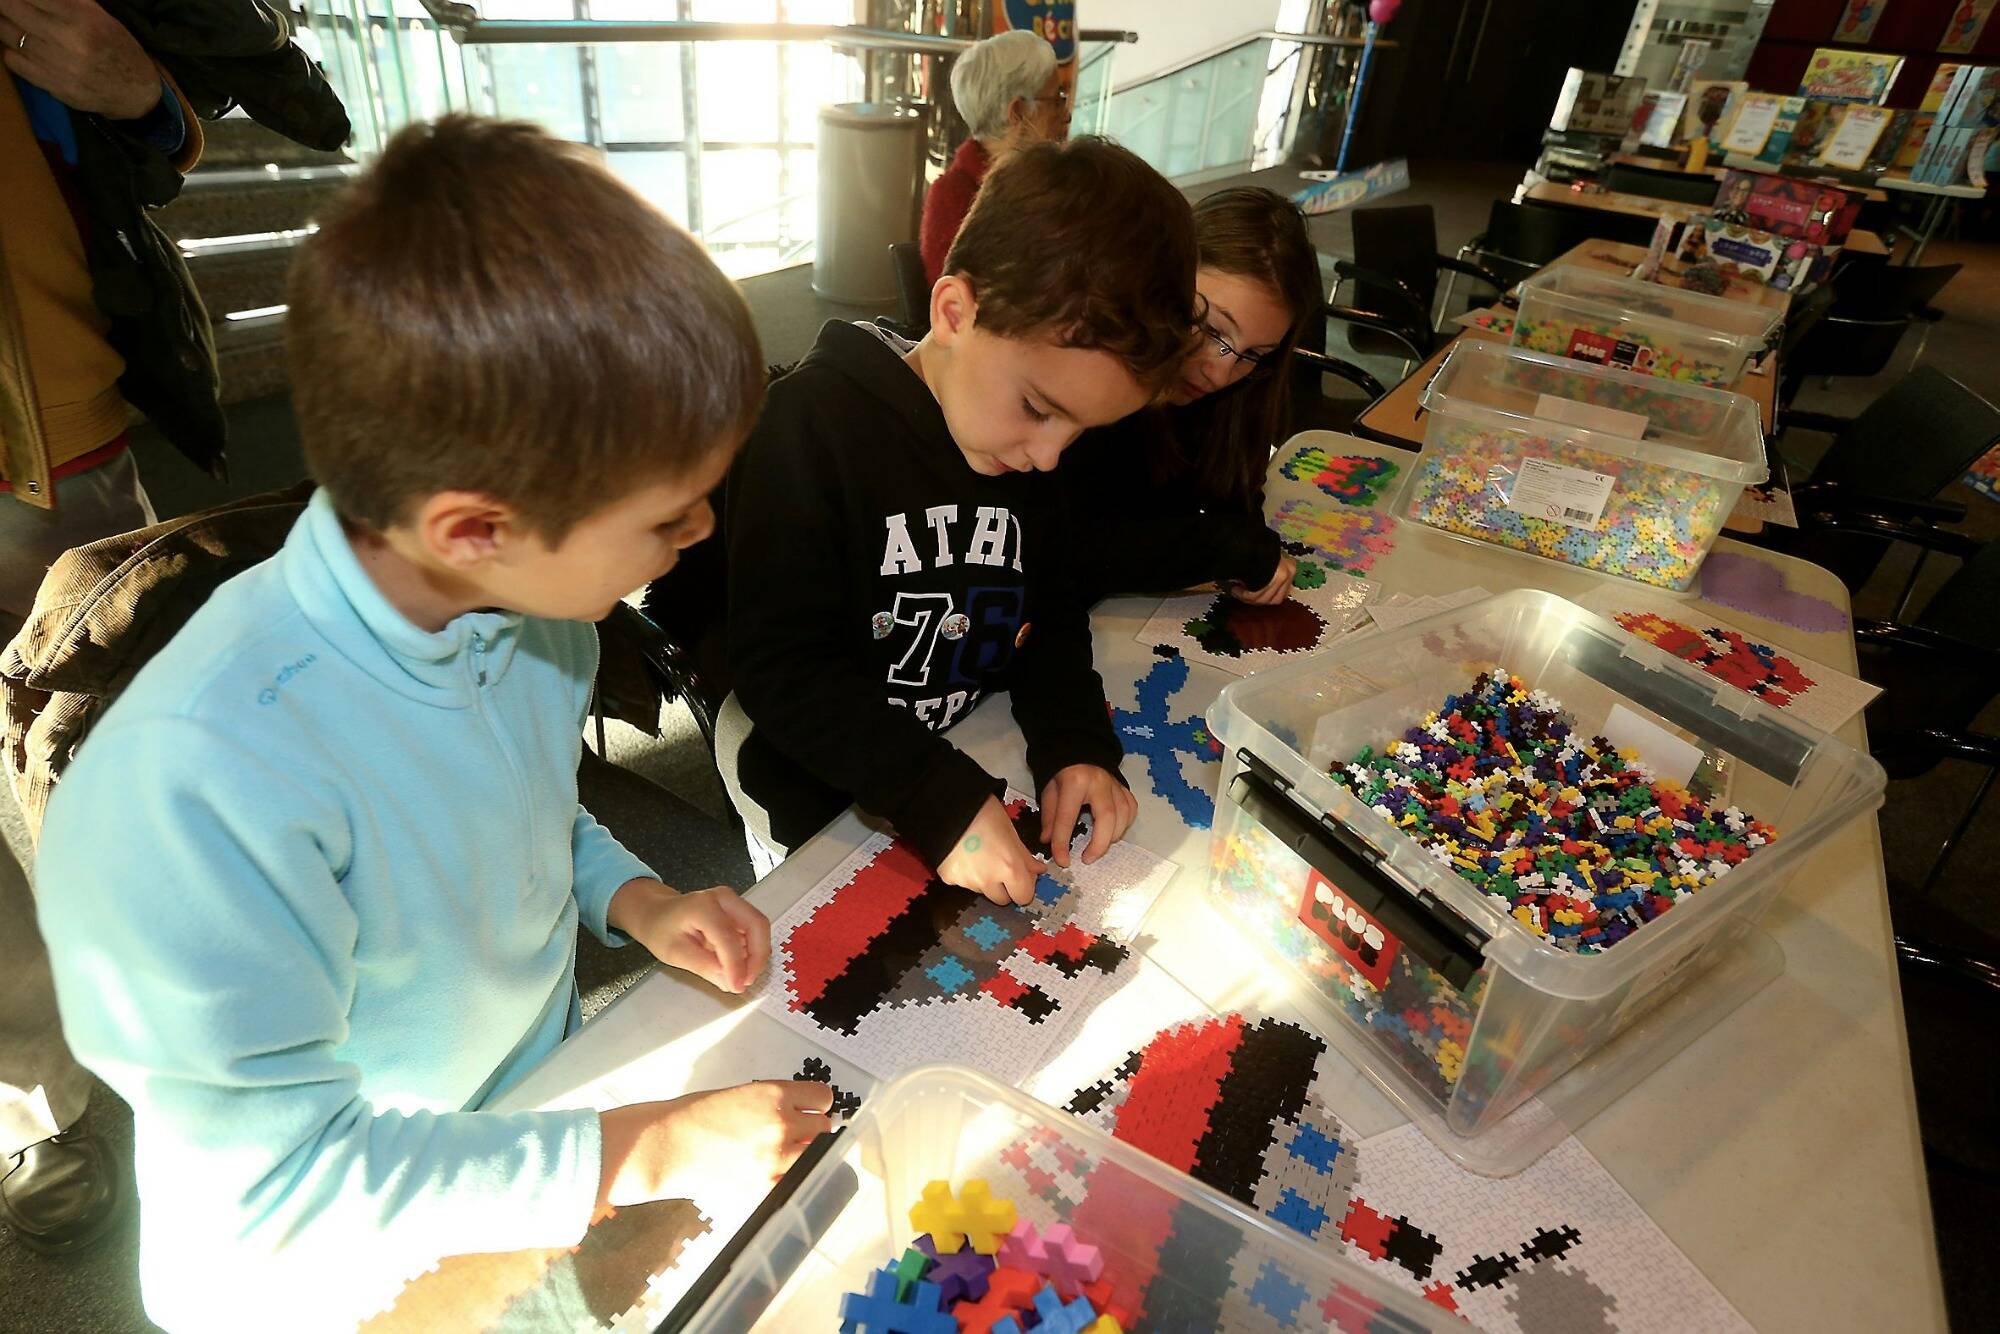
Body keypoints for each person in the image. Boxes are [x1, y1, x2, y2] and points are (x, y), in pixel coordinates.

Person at [32, 117, 830, 1333]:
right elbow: (282, 1191)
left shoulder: (533, 608)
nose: (701, 535)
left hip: (530, 1128)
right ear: (475, 525)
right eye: (669, 516)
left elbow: (516, 802)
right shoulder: (200, 787)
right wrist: (647, 1146)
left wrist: (636, 899)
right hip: (332, 1270)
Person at [0, 0, 344, 1258]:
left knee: (119, 751)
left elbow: (174, 116)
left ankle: (206, 1044)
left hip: (76, 425)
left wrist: (143, 93)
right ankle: (43, 1096)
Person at [718, 137, 1200, 907]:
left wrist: (1075, 743)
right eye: (1039, 410)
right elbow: (784, 671)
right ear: (953, 312)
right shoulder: (811, 429)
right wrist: (935, 796)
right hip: (817, 787)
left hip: (965, 750)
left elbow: (1048, 609)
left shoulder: (1024, 443)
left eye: (1080, 431)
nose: (1050, 457)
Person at [1060, 186, 1327, 604]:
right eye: (1213, 328)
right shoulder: (1089, 377)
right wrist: (1230, 546)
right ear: (1162, 278)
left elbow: (1230, 492)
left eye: (1254, 353)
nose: (1221, 373)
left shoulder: (1239, 391)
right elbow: (1074, 549)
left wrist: (1244, 535)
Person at [919, 29, 1070, 286]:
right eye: (1057, 99)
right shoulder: (954, 199)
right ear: (1019, 111)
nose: (1066, 115)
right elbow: (971, 315)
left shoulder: (1047, 179)